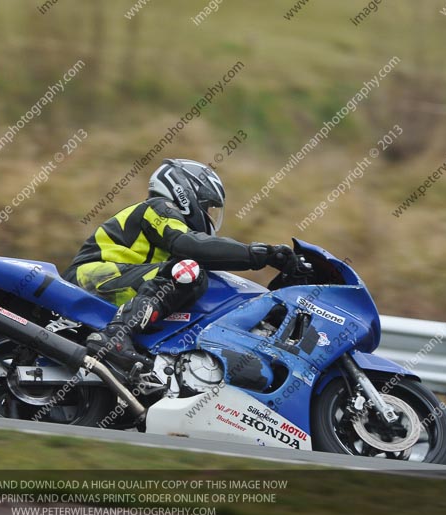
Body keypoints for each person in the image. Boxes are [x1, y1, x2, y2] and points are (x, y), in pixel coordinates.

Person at [62, 158, 309, 375]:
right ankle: (115, 335)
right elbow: (189, 244)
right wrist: (261, 254)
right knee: (188, 271)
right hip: (92, 275)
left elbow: (203, 252)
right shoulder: (158, 208)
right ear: (185, 192)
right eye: (207, 205)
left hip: (120, 281)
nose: (208, 215)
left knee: (199, 278)